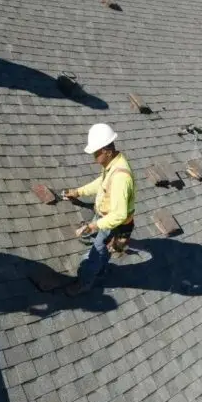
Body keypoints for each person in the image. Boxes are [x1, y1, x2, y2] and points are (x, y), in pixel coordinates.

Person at [61, 123, 135, 296]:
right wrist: (78, 192)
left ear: (107, 151)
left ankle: (84, 283)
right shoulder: (114, 164)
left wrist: (92, 226)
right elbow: (102, 183)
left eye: (96, 152)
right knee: (102, 248)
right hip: (106, 218)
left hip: (113, 224)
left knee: (95, 254)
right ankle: (102, 266)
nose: (94, 157)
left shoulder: (120, 178)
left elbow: (119, 214)